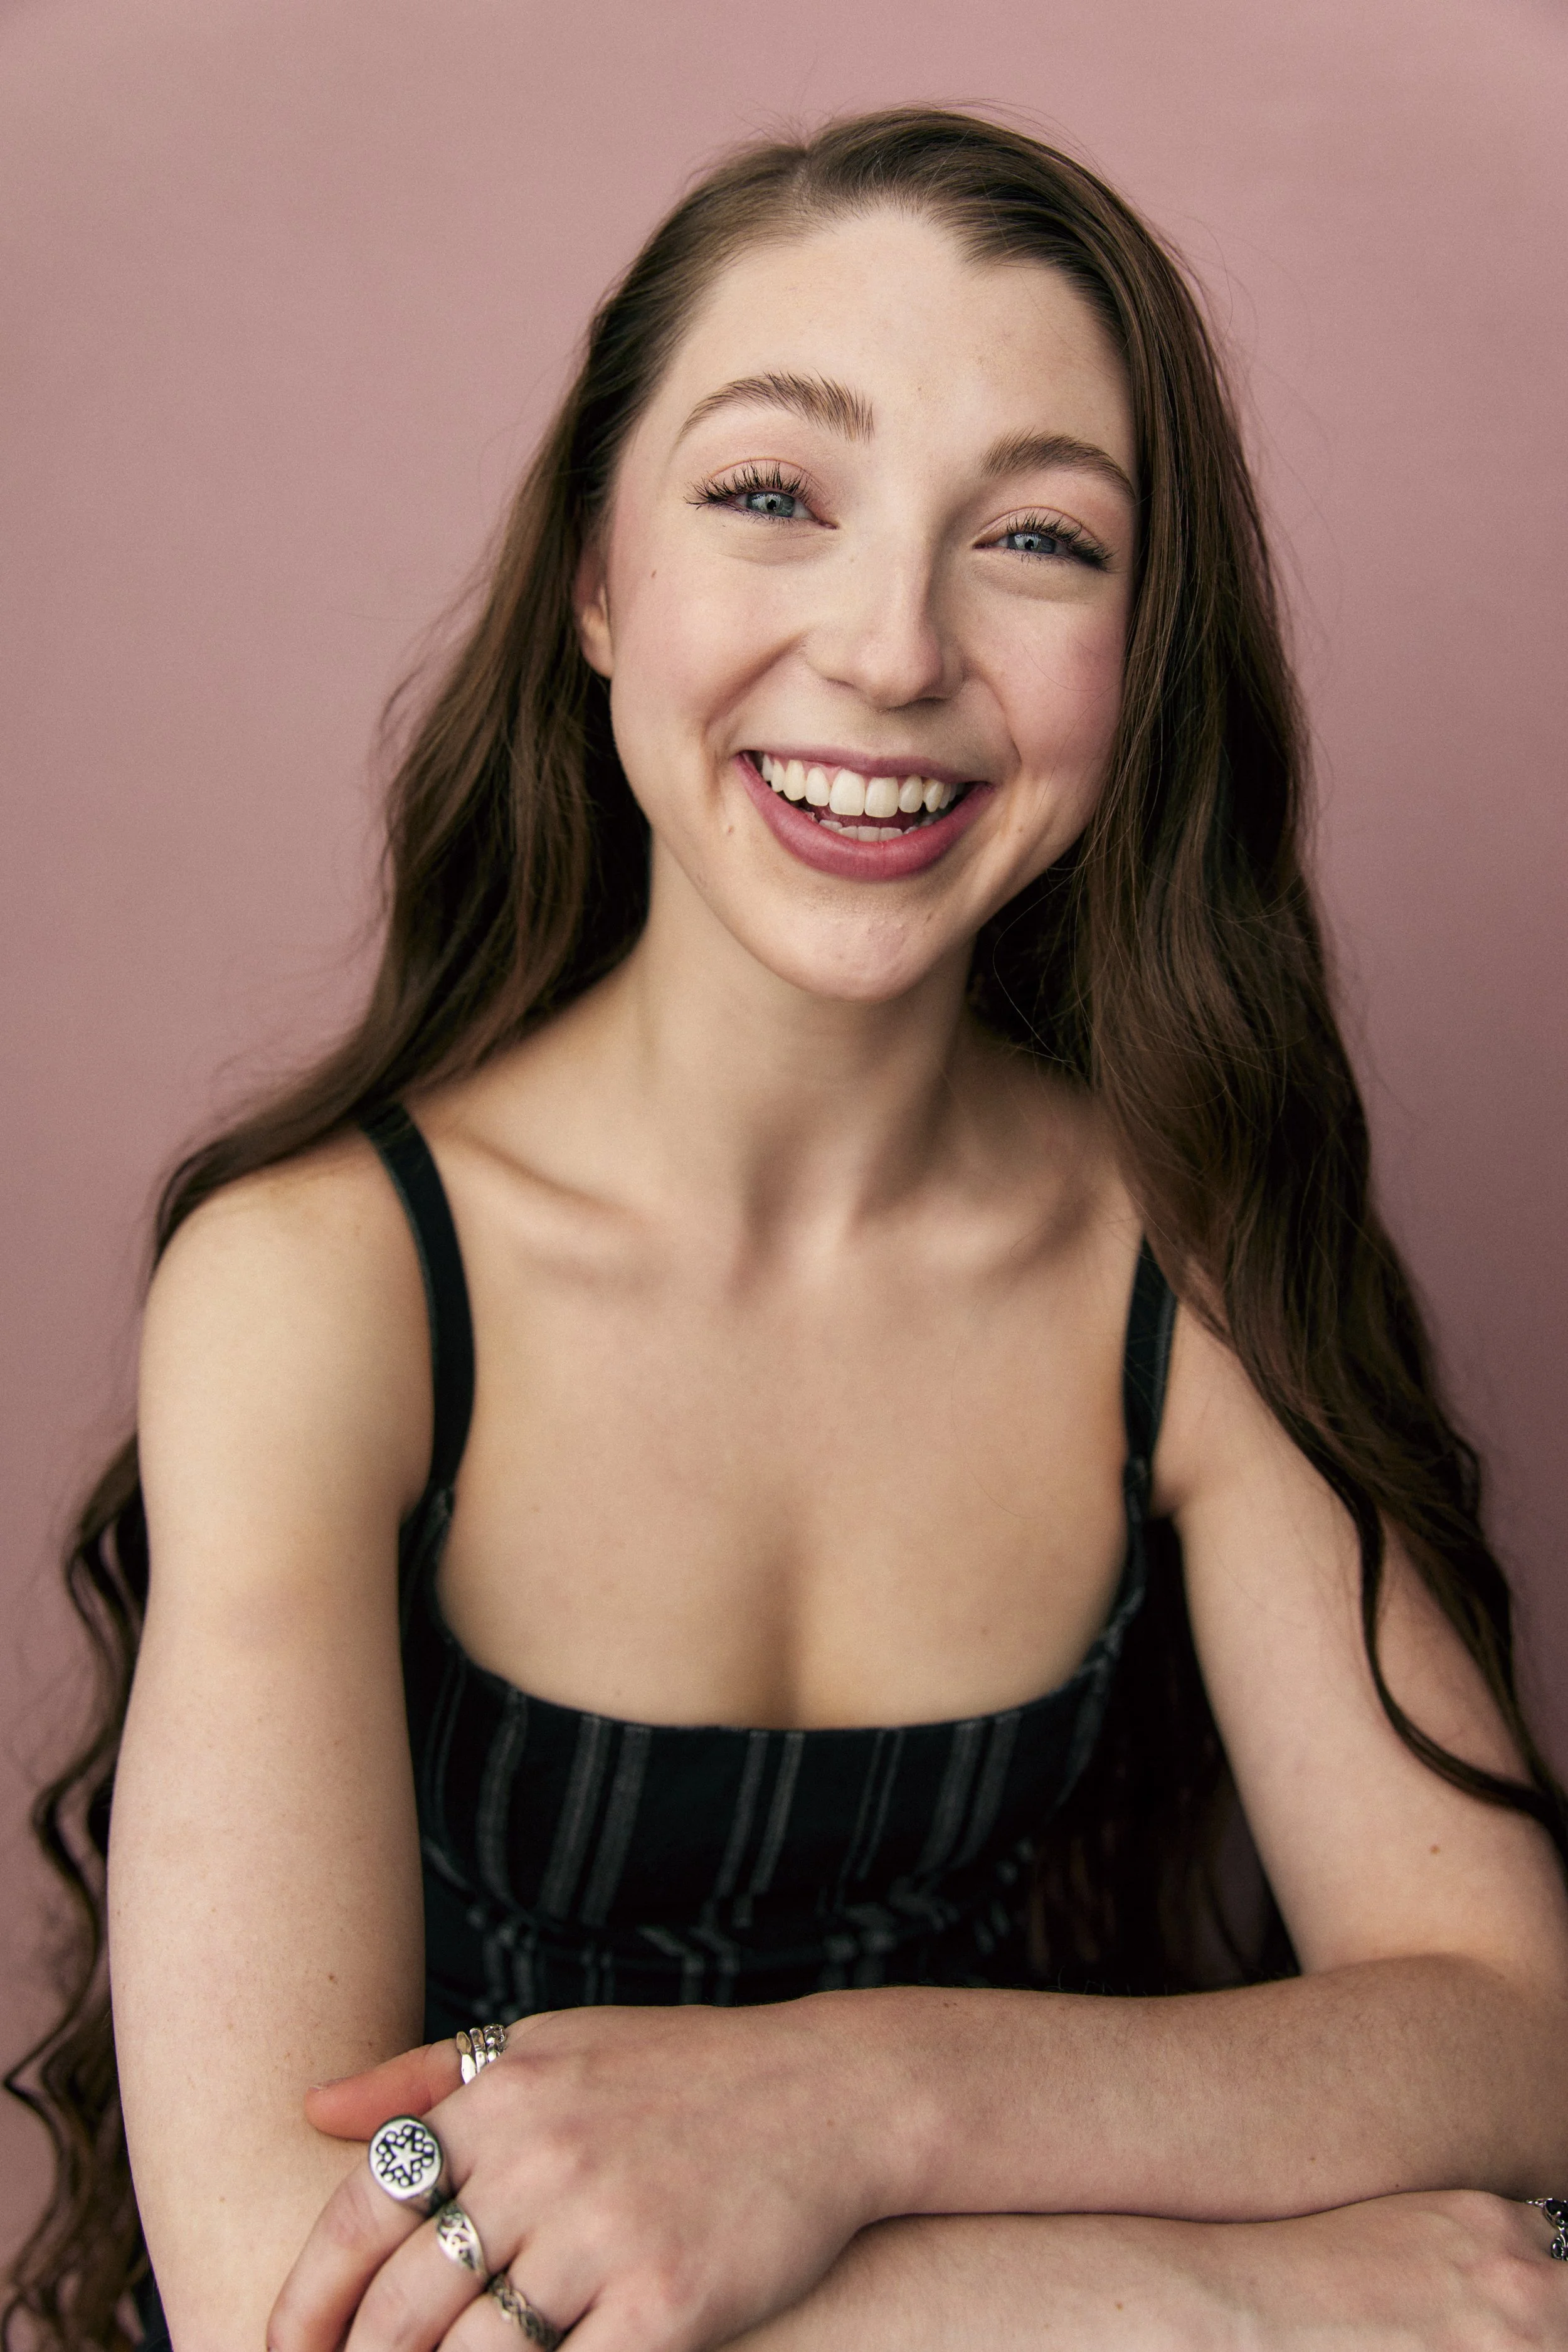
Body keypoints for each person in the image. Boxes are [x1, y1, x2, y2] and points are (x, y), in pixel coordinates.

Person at [6, 107, 1567, 2352]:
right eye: (770, 494)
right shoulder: (318, 1280)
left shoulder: (1187, 1260)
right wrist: (1194, 2302)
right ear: (594, 577)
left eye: (1037, 538)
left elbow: (1509, 2035)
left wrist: (851, 2105)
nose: (891, 645)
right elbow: (293, 2300)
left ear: (1147, 659)